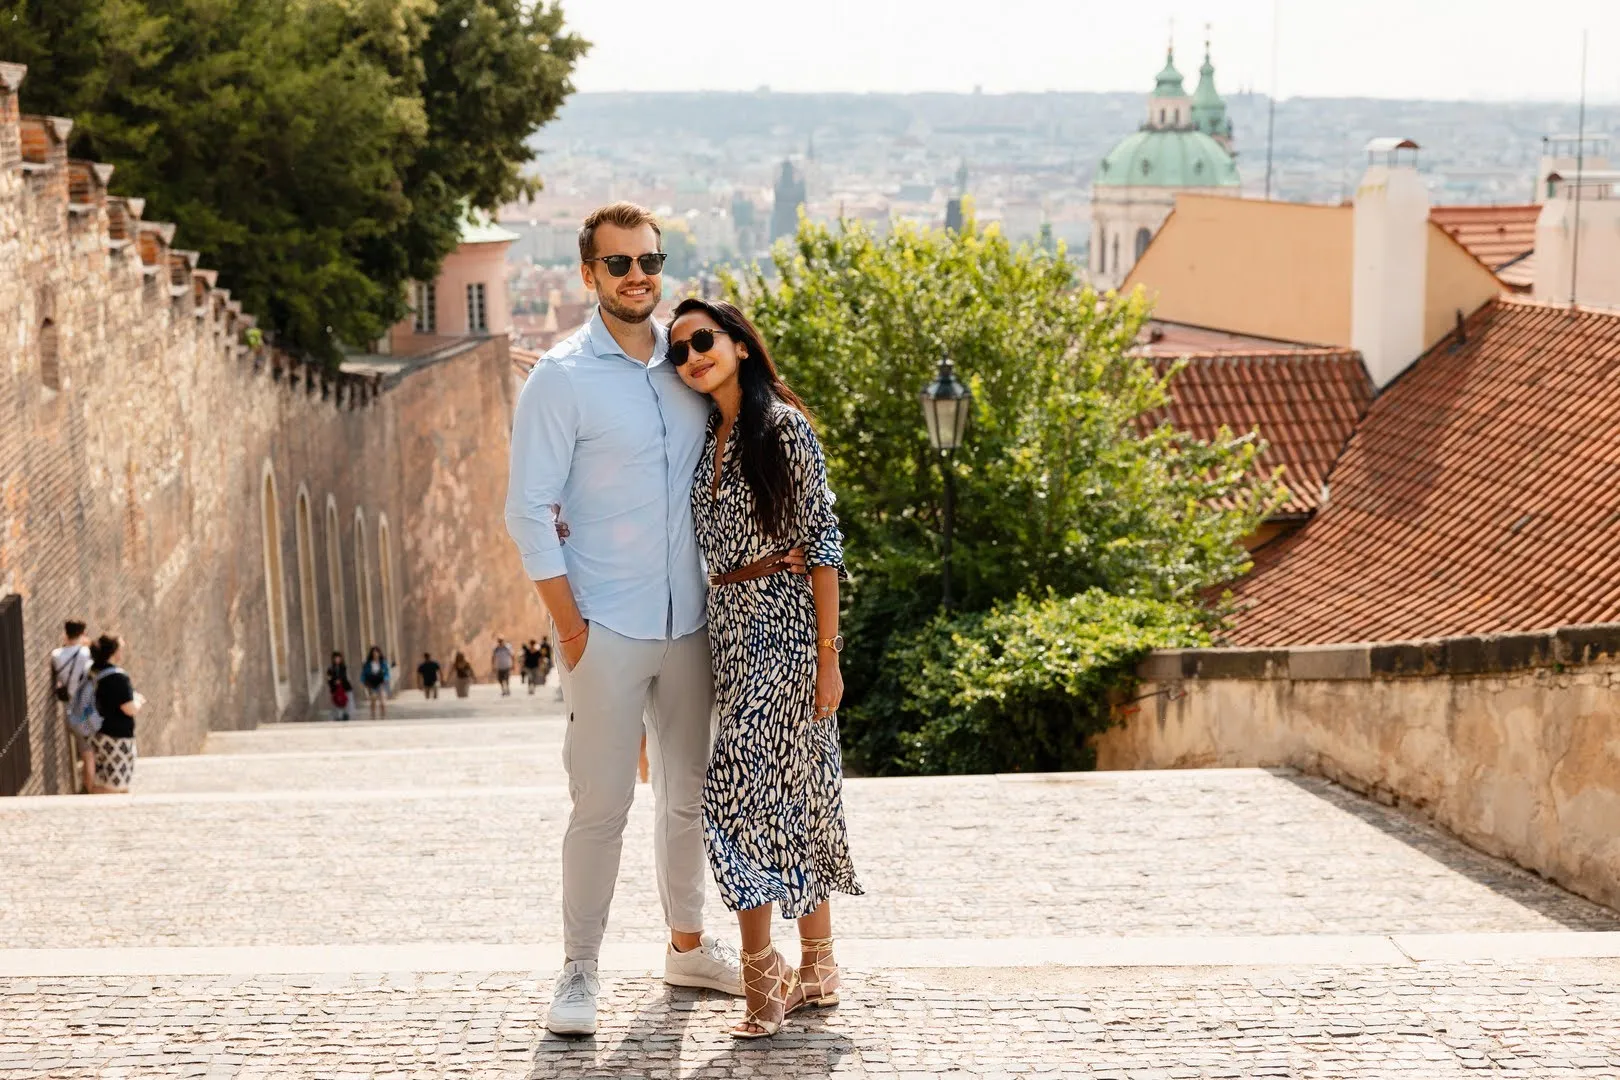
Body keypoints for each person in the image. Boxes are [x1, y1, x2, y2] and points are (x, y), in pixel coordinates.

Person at [506, 202, 807, 1037]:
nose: (638, 275)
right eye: (619, 263)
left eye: (650, 260)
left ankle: (686, 944)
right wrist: (570, 630)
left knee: (686, 799)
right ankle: (579, 969)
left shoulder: (687, 368)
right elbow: (528, 509)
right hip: (604, 627)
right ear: (588, 274)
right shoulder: (561, 377)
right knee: (599, 804)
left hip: (694, 623)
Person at [669, 297, 861, 1039]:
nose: (693, 357)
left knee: (734, 800)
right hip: (731, 632)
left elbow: (823, 544)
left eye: (705, 340)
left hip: (784, 632)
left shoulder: (782, 427)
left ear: (740, 345)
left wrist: (828, 660)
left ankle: (762, 981)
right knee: (800, 792)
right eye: (680, 351)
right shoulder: (709, 434)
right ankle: (818, 965)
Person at [86, 634, 142, 793]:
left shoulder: (94, 671)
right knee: (115, 785)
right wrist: (138, 702)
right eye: (120, 649)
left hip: (98, 734)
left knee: (105, 780)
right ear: (114, 652)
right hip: (117, 737)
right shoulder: (117, 677)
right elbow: (129, 709)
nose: (122, 653)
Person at [50, 619, 94, 792]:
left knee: (83, 748)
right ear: (83, 633)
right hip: (87, 708)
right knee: (89, 752)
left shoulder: (56, 655)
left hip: (70, 707)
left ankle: (86, 784)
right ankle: (89, 788)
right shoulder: (86, 653)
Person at [361, 646, 389, 719]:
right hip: (372, 684)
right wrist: (364, 682)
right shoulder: (367, 664)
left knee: (383, 701)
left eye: (377, 653)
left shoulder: (383, 663)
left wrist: (385, 679)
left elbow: (386, 673)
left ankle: (383, 716)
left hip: (381, 683)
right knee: (373, 700)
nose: (376, 655)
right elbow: (364, 674)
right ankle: (373, 716)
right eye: (374, 653)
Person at [326, 652, 353, 721]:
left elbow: (345, 677)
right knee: (336, 703)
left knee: (347, 702)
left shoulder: (344, 667)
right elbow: (329, 679)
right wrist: (334, 681)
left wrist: (340, 680)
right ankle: (338, 716)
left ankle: (346, 715)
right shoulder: (330, 669)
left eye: (338, 658)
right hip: (335, 689)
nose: (337, 660)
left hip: (345, 688)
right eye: (335, 658)